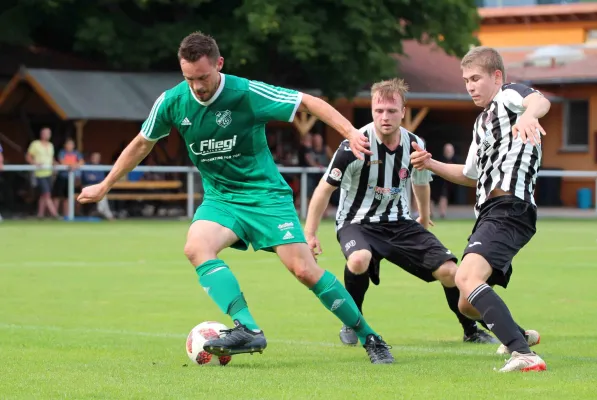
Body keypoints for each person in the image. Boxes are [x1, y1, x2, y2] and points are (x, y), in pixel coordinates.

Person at [77, 31, 394, 364]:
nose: (197, 86)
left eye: (203, 77)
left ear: (219, 64)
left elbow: (307, 103)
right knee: (196, 247)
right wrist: (106, 184)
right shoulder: (172, 101)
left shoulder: (245, 92)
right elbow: (142, 142)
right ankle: (248, 328)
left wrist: (350, 133)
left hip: (266, 197)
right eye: (189, 78)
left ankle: (369, 336)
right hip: (221, 200)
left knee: (304, 270)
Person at [304, 78, 497, 347]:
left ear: (403, 111)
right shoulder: (354, 145)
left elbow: (420, 182)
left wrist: (424, 215)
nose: (385, 117)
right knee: (358, 260)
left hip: (400, 222)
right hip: (357, 222)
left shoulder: (415, 143)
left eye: (392, 111)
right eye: (379, 110)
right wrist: (310, 233)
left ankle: (470, 329)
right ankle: (351, 322)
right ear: (371, 110)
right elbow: (324, 190)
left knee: (450, 272)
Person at [410, 46, 549, 372]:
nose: (470, 86)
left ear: (496, 77)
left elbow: (539, 101)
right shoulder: (481, 123)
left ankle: (524, 354)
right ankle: (518, 333)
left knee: (466, 277)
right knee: (465, 301)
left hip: (510, 207)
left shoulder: (510, 97)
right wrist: (430, 164)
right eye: (466, 80)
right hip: (490, 213)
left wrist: (529, 114)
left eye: (476, 78)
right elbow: (469, 175)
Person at [26, 127, 59, 219]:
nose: (47, 135)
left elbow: (51, 158)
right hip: (39, 173)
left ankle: (40, 214)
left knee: (43, 195)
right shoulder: (35, 144)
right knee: (47, 194)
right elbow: (28, 156)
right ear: (41, 134)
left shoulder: (51, 145)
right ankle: (54, 214)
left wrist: (55, 163)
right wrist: (35, 163)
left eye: (48, 133)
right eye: (45, 133)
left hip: (49, 173)